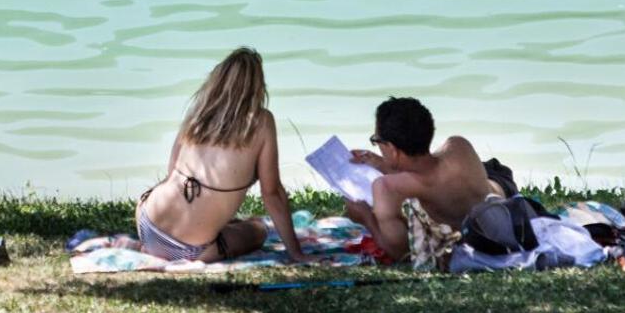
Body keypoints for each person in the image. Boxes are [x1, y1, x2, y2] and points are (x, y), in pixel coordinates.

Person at [135, 47, 312, 263]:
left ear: (218, 79)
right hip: (193, 250)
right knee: (258, 229)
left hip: (147, 221)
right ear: (258, 86)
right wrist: (297, 253)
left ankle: (156, 248)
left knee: (224, 221)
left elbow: (171, 174)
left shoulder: (197, 114)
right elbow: (272, 193)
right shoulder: (262, 122)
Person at [344, 96, 516, 263]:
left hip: (481, 216)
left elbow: (401, 251)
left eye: (376, 141)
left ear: (392, 148)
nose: (377, 146)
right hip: (501, 187)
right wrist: (383, 163)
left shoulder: (388, 188)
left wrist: (366, 217)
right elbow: (426, 167)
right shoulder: (458, 145)